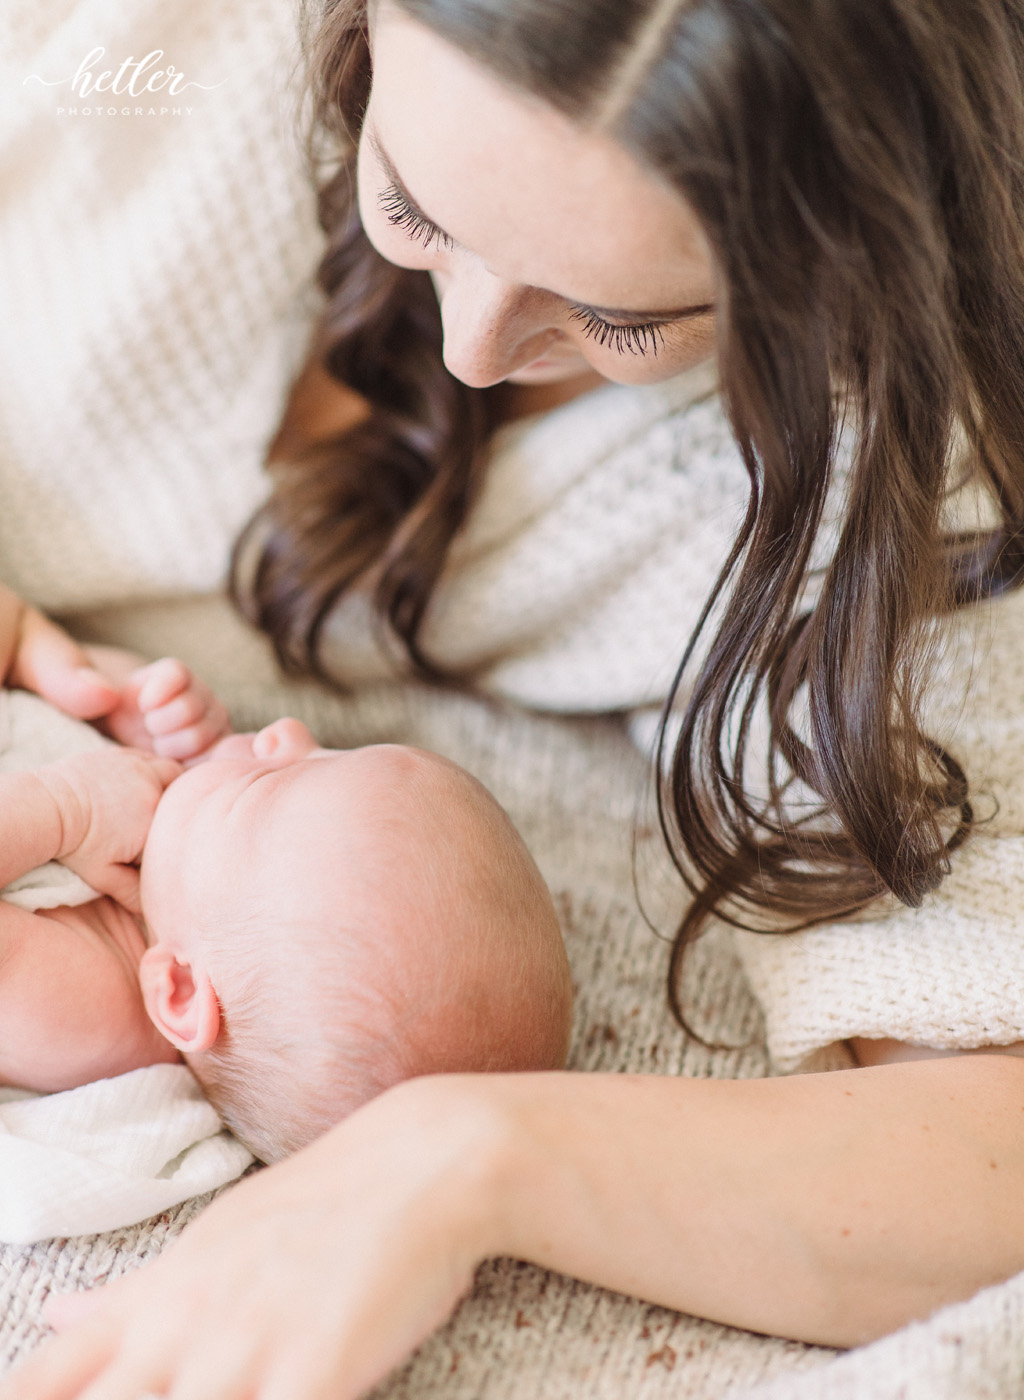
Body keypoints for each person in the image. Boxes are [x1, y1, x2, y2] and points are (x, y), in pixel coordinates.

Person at [5, 0, 1024, 1396]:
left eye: (619, 317)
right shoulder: (140, 55)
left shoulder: (880, 500)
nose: (473, 345)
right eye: (412, 206)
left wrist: (475, 1154)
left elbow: (986, 1152)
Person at [0, 685, 571, 1162]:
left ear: (179, 990)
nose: (286, 731)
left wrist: (62, 802)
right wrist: (141, 712)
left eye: (262, 783)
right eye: (331, 750)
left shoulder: (91, 1010)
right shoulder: (178, 880)